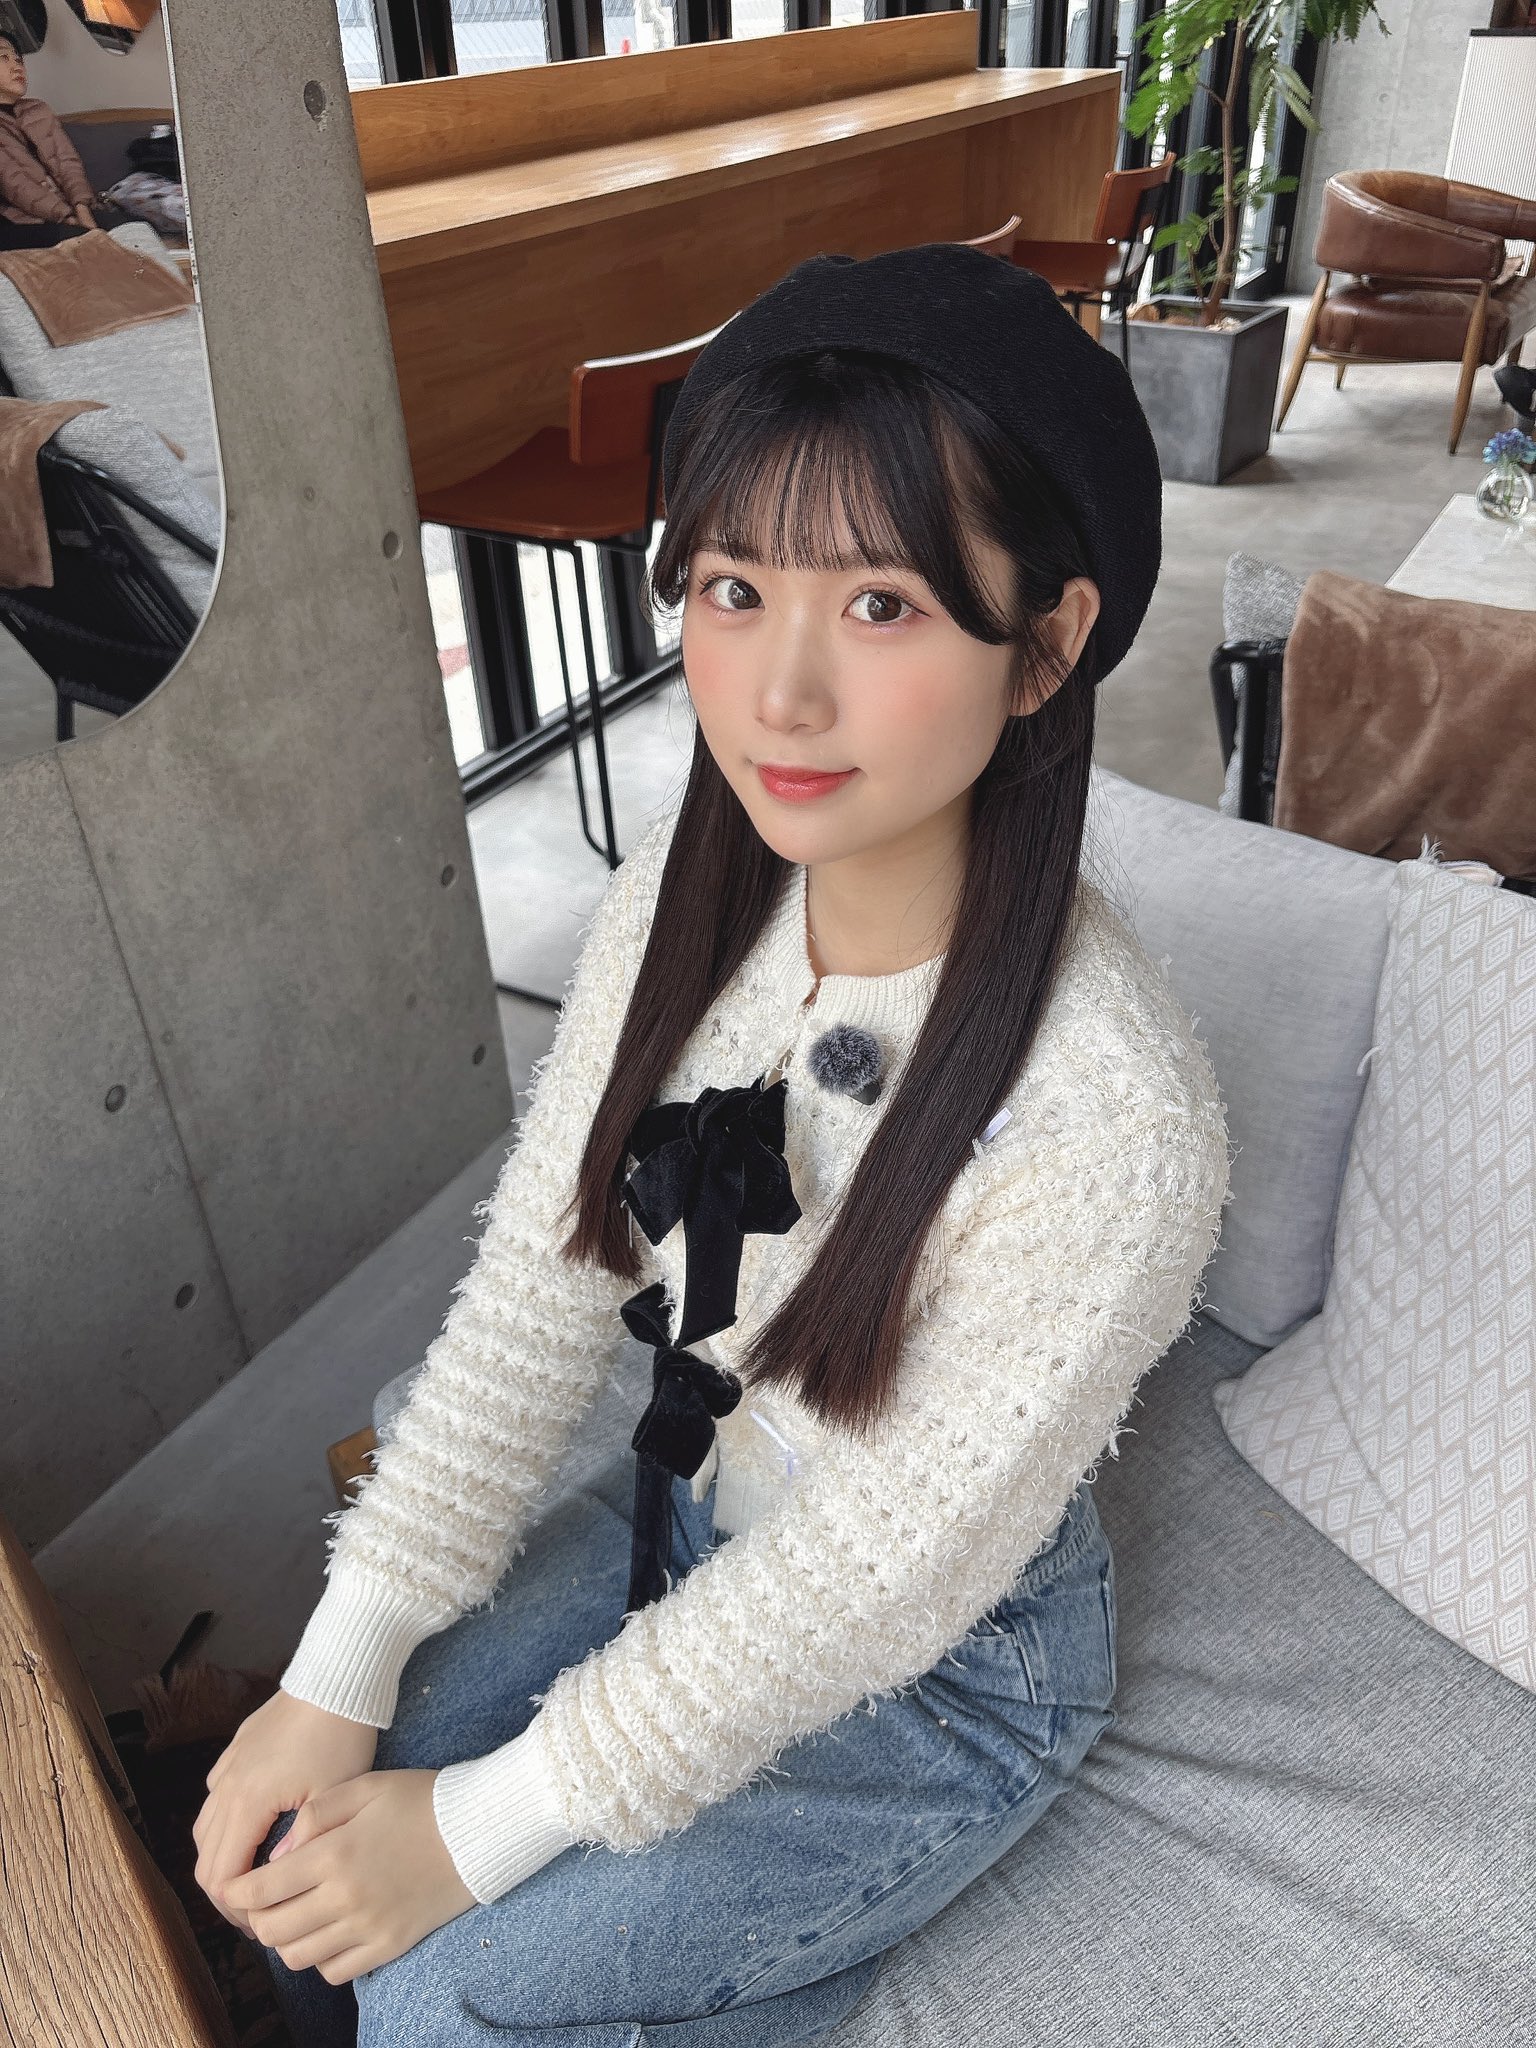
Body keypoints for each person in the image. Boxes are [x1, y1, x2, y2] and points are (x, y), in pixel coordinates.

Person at [192, 243, 1232, 2048]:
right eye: (736, 588)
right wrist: (337, 1669)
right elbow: (538, 1290)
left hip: (944, 1672)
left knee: (450, 1989)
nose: (777, 696)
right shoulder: (680, 916)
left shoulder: (1117, 1124)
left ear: (1047, 646)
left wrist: (476, 1836)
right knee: (304, 1837)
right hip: (692, 1508)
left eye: (884, 603)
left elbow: (870, 1578)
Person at [0, 31, 128, 250]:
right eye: (4, 58)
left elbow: (67, 162)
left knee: (131, 227)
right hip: (22, 219)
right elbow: (15, 184)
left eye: (18, 59)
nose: (17, 66)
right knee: (81, 242)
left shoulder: (38, 109)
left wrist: (82, 207)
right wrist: (68, 217)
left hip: (72, 207)